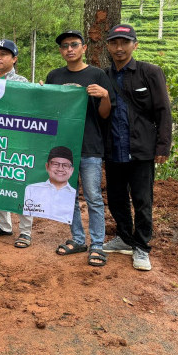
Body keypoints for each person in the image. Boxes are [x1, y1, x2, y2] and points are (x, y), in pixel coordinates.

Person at [102, 24, 172, 271]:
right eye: (114, 43)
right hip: (113, 148)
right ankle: (124, 238)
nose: (119, 48)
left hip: (141, 148)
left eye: (124, 42)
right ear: (108, 46)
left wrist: (163, 146)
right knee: (117, 198)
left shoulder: (150, 72)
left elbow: (163, 109)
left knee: (142, 199)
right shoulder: (105, 75)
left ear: (135, 45)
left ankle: (142, 247)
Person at [46, 30, 114, 267]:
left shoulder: (97, 75)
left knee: (94, 197)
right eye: (65, 46)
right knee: (69, 196)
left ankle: (97, 244)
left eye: (74, 44)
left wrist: (105, 96)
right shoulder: (54, 76)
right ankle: (78, 239)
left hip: (91, 146)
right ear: (60, 51)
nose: (69, 49)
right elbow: (49, 111)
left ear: (84, 48)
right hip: (64, 148)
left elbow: (105, 115)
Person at [0, 40, 33, 247]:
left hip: (17, 143)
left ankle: (26, 231)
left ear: (14, 59)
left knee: (20, 185)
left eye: (4, 54)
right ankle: (4, 225)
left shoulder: (21, 80)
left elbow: (23, 102)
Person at [22, 146, 78, 224]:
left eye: (65, 165)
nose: (60, 169)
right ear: (47, 166)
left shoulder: (73, 194)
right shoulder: (31, 189)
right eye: (55, 164)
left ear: (72, 170)